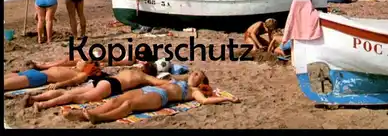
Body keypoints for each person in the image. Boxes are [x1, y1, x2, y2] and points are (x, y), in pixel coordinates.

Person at [63, 70, 240, 124]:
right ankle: (85, 114)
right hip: (148, 89)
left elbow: (205, 100)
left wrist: (226, 98)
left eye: (198, 75)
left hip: (159, 96)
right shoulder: (179, 80)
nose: (194, 74)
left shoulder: (194, 92)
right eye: (194, 72)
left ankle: (99, 118)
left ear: (202, 81)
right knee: (116, 100)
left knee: (129, 105)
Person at [25, 62, 179, 111]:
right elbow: (160, 83)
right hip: (112, 85)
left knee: (71, 92)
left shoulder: (130, 70)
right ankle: (42, 104)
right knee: (77, 98)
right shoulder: (143, 77)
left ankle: (35, 98)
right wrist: (172, 81)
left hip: (105, 80)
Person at [4, 60, 101, 92]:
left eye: (82, 62)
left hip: (39, 77)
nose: (79, 61)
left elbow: (74, 81)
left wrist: (59, 84)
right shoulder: (74, 68)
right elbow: (68, 60)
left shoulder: (82, 74)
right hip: (33, 72)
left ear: (87, 67)